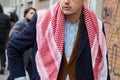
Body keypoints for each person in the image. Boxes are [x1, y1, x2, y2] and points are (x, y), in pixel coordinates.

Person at [7, 0, 110, 80]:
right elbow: (13, 47)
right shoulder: (42, 20)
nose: (66, 1)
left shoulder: (96, 26)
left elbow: (103, 63)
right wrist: (20, 77)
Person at [8, 7, 36, 80]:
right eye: (31, 13)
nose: (33, 15)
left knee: (32, 74)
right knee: (15, 74)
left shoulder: (33, 23)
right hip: (22, 53)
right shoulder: (21, 22)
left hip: (30, 55)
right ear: (26, 14)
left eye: (34, 13)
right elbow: (12, 34)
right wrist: (22, 40)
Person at [0, 4, 10, 74]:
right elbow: (8, 28)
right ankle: (3, 65)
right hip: (3, 36)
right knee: (2, 51)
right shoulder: (6, 17)